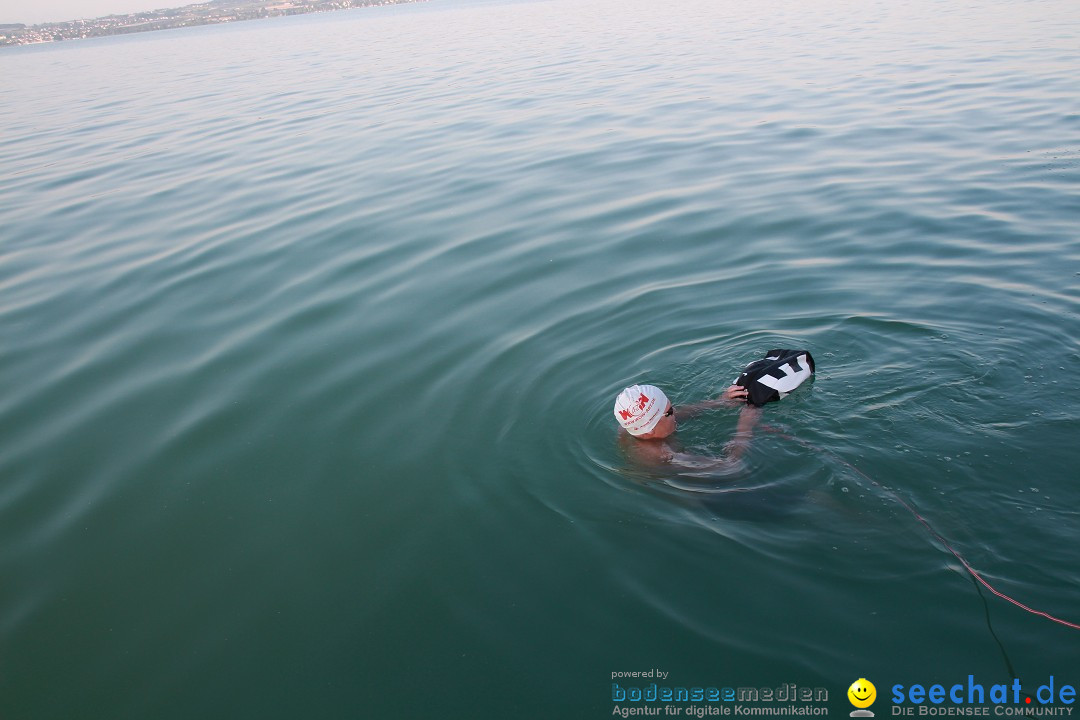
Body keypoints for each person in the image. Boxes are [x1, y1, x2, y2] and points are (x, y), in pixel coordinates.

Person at [613, 349, 815, 471]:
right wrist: (745, 428)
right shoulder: (665, 455)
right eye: (670, 412)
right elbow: (730, 466)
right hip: (717, 500)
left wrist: (719, 401)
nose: (676, 412)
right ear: (648, 430)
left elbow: (681, 414)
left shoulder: (631, 427)